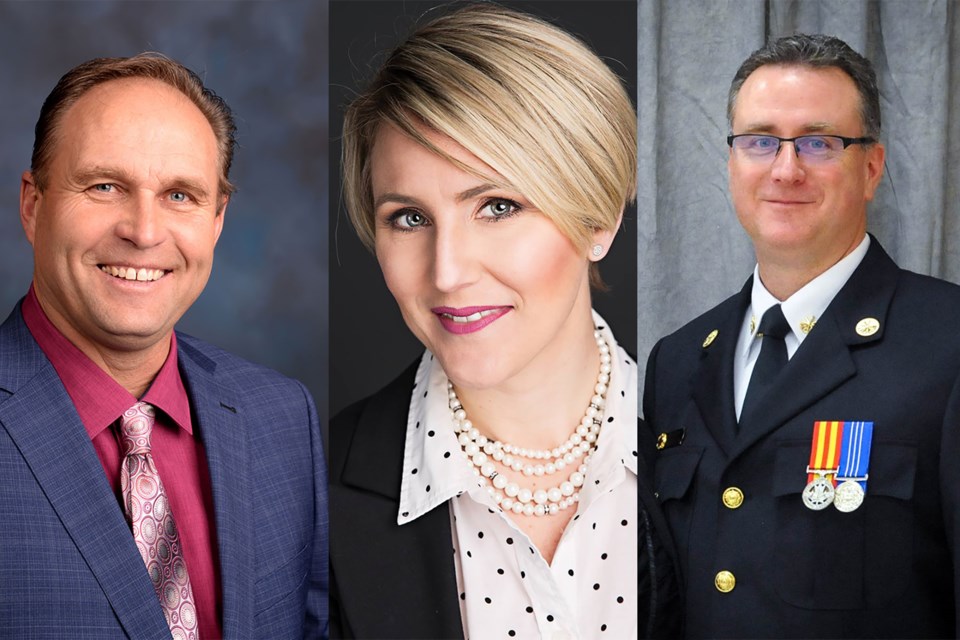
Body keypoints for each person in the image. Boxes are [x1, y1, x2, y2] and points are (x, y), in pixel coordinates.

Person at [329, 4, 679, 639]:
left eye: (497, 206)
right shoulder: (312, 488)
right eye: (409, 217)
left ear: (599, 218)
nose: (448, 272)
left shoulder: (720, 445)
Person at [0, 54, 328, 638]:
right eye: (105, 186)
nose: (144, 231)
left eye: (180, 195)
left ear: (218, 219)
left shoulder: (283, 418)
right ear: (33, 205)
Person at [644, 33, 960, 638]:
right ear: (732, 163)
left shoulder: (947, 346)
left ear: (871, 168)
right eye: (760, 142)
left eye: (818, 143)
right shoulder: (678, 360)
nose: (785, 170)